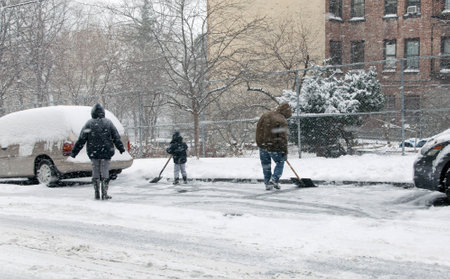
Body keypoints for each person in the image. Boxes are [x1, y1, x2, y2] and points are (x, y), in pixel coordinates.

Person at [71, 103, 126, 200]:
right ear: (103, 113)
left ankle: (96, 193)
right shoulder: (108, 123)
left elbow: (81, 139)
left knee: (95, 170)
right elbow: (116, 137)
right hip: (106, 152)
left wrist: (74, 152)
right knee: (105, 171)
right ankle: (105, 193)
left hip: (93, 152)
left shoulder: (89, 124)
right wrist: (121, 148)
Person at [255, 102, 292, 190]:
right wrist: (285, 152)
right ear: (286, 112)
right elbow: (283, 138)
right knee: (280, 162)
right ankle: (274, 179)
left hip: (263, 145)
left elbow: (258, 129)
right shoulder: (281, 120)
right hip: (274, 147)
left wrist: (260, 143)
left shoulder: (265, 115)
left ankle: (268, 183)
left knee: (266, 165)